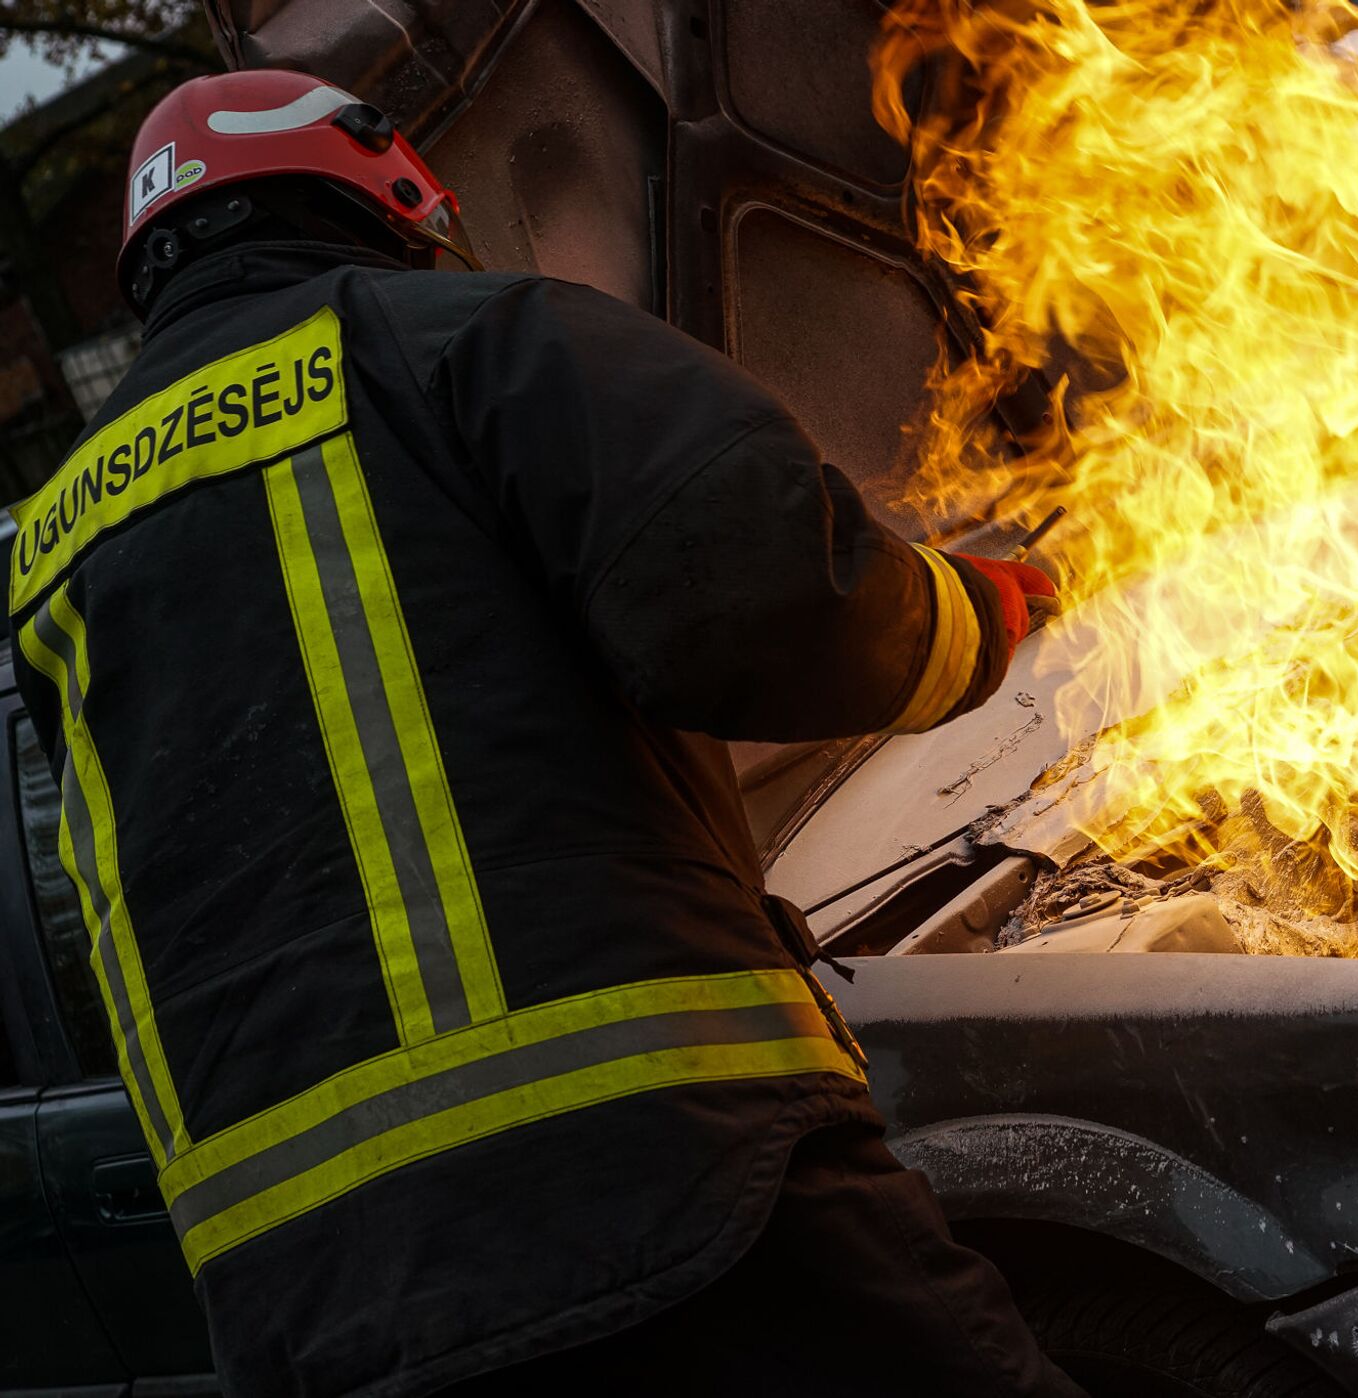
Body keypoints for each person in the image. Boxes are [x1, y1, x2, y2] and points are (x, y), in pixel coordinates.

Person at [8, 68, 1081, 1398]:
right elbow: (770, 597)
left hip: (317, 1311)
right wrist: (988, 610)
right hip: (657, 1180)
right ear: (381, 189)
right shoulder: (461, 344)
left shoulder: (55, 547)